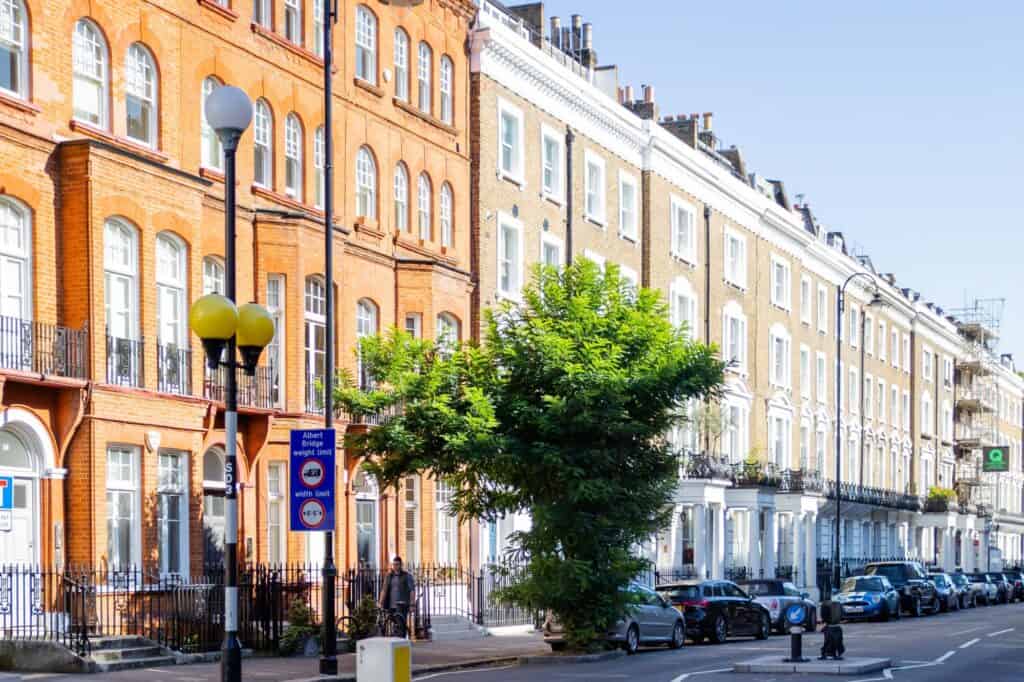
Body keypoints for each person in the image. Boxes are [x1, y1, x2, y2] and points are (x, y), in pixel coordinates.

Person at [378, 556, 416, 637]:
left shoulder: (407, 576)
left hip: (402, 605)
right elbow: (384, 590)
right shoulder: (389, 576)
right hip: (391, 604)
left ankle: (401, 639)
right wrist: (380, 603)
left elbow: (412, 590)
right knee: (393, 623)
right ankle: (396, 638)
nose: (395, 566)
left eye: (397, 564)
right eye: (394, 564)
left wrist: (412, 604)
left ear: (401, 565)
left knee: (401, 623)